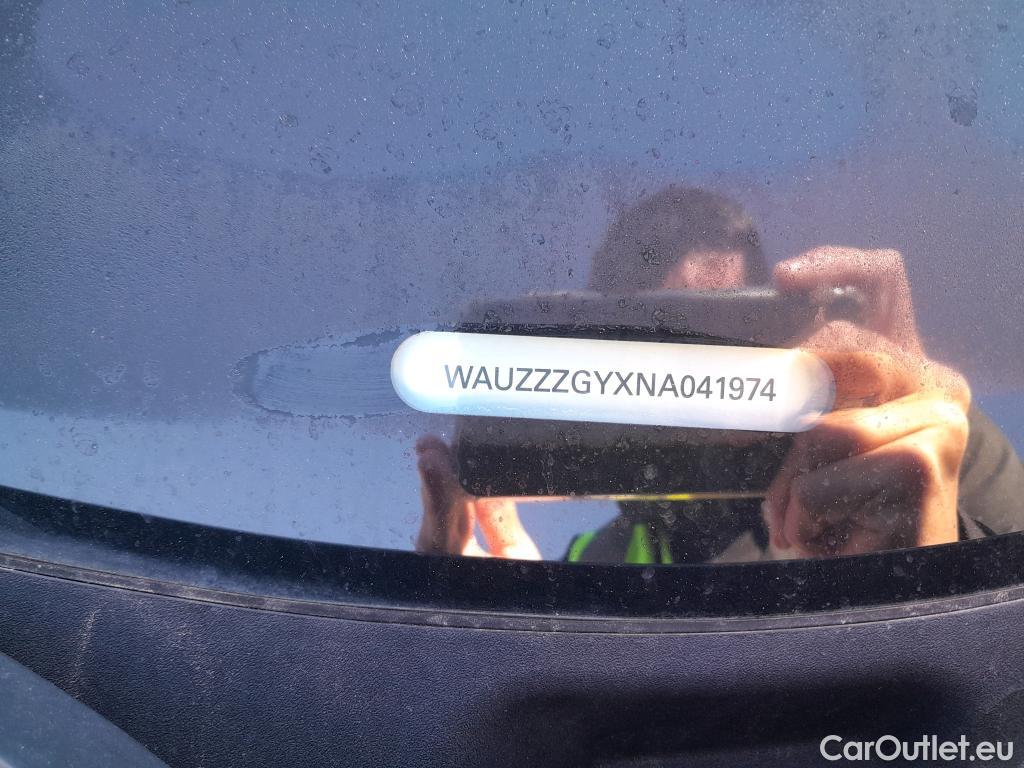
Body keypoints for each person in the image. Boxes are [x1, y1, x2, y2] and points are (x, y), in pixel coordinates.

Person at [415, 186, 1024, 563]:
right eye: (666, 341)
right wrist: (511, 632)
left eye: (730, 337)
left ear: (789, 334)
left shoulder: (930, 447)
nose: (700, 387)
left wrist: (940, 553)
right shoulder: (590, 565)